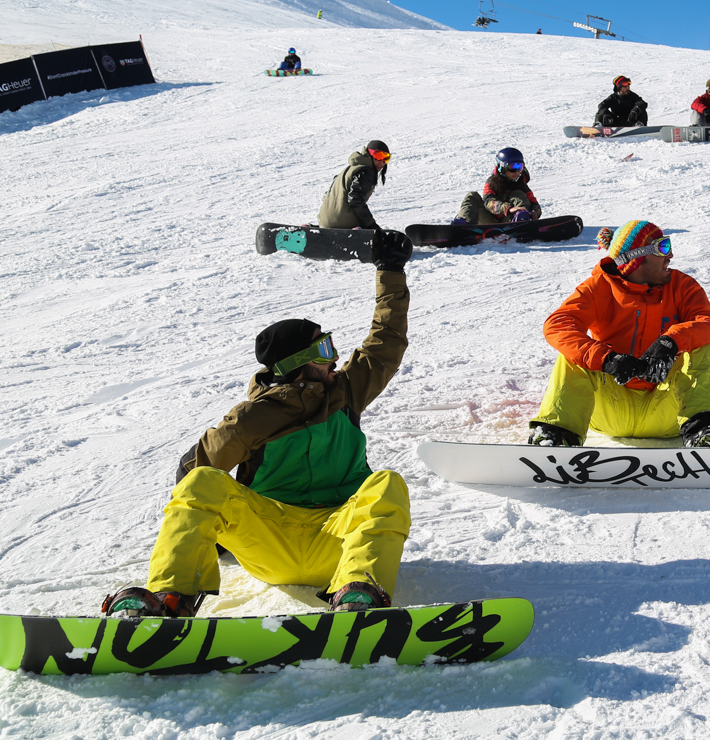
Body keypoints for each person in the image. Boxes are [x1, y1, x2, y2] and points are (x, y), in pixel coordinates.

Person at [101, 247, 415, 618]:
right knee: (204, 481)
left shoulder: (345, 392)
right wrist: (210, 538)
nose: (334, 357)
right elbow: (192, 478)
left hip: (339, 538)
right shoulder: (251, 419)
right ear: (298, 364)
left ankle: (359, 595)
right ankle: (169, 598)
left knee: (386, 483)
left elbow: (386, 343)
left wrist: (390, 270)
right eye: (324, 348)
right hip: (271, 541)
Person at [528, 221, 710, 448]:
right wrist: (606, 359)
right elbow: (557, 325)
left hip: (668, 411)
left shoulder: (681, 286)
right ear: (637, 259)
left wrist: (671, 341)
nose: (671, 255)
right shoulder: (599, 287)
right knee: (574, 356)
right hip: (609, 410)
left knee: (702, 350)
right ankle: (556, 436)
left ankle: (705, 434)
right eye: (662, 248)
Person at [455, 147, 542, 225]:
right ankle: (463, 225)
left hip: (509, 220)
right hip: (489, 220)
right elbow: (488, 202)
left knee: (518, 193)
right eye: (512, 167)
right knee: (472, 196)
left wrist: (535, 211)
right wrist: (507, 209)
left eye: (519, 167)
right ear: (502, 167)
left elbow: (533, 202)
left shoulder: (520, 183)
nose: (516, 172)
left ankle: (522, 220)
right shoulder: (492, 182)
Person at [318, 141, 390, 230]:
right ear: (369, 154)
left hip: (324, 221)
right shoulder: (366, 172)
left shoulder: (350, 169)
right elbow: (355, 198)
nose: (382, 162)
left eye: (386, 158)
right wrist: (371, 224)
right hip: (343, 223)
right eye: (378, 155)